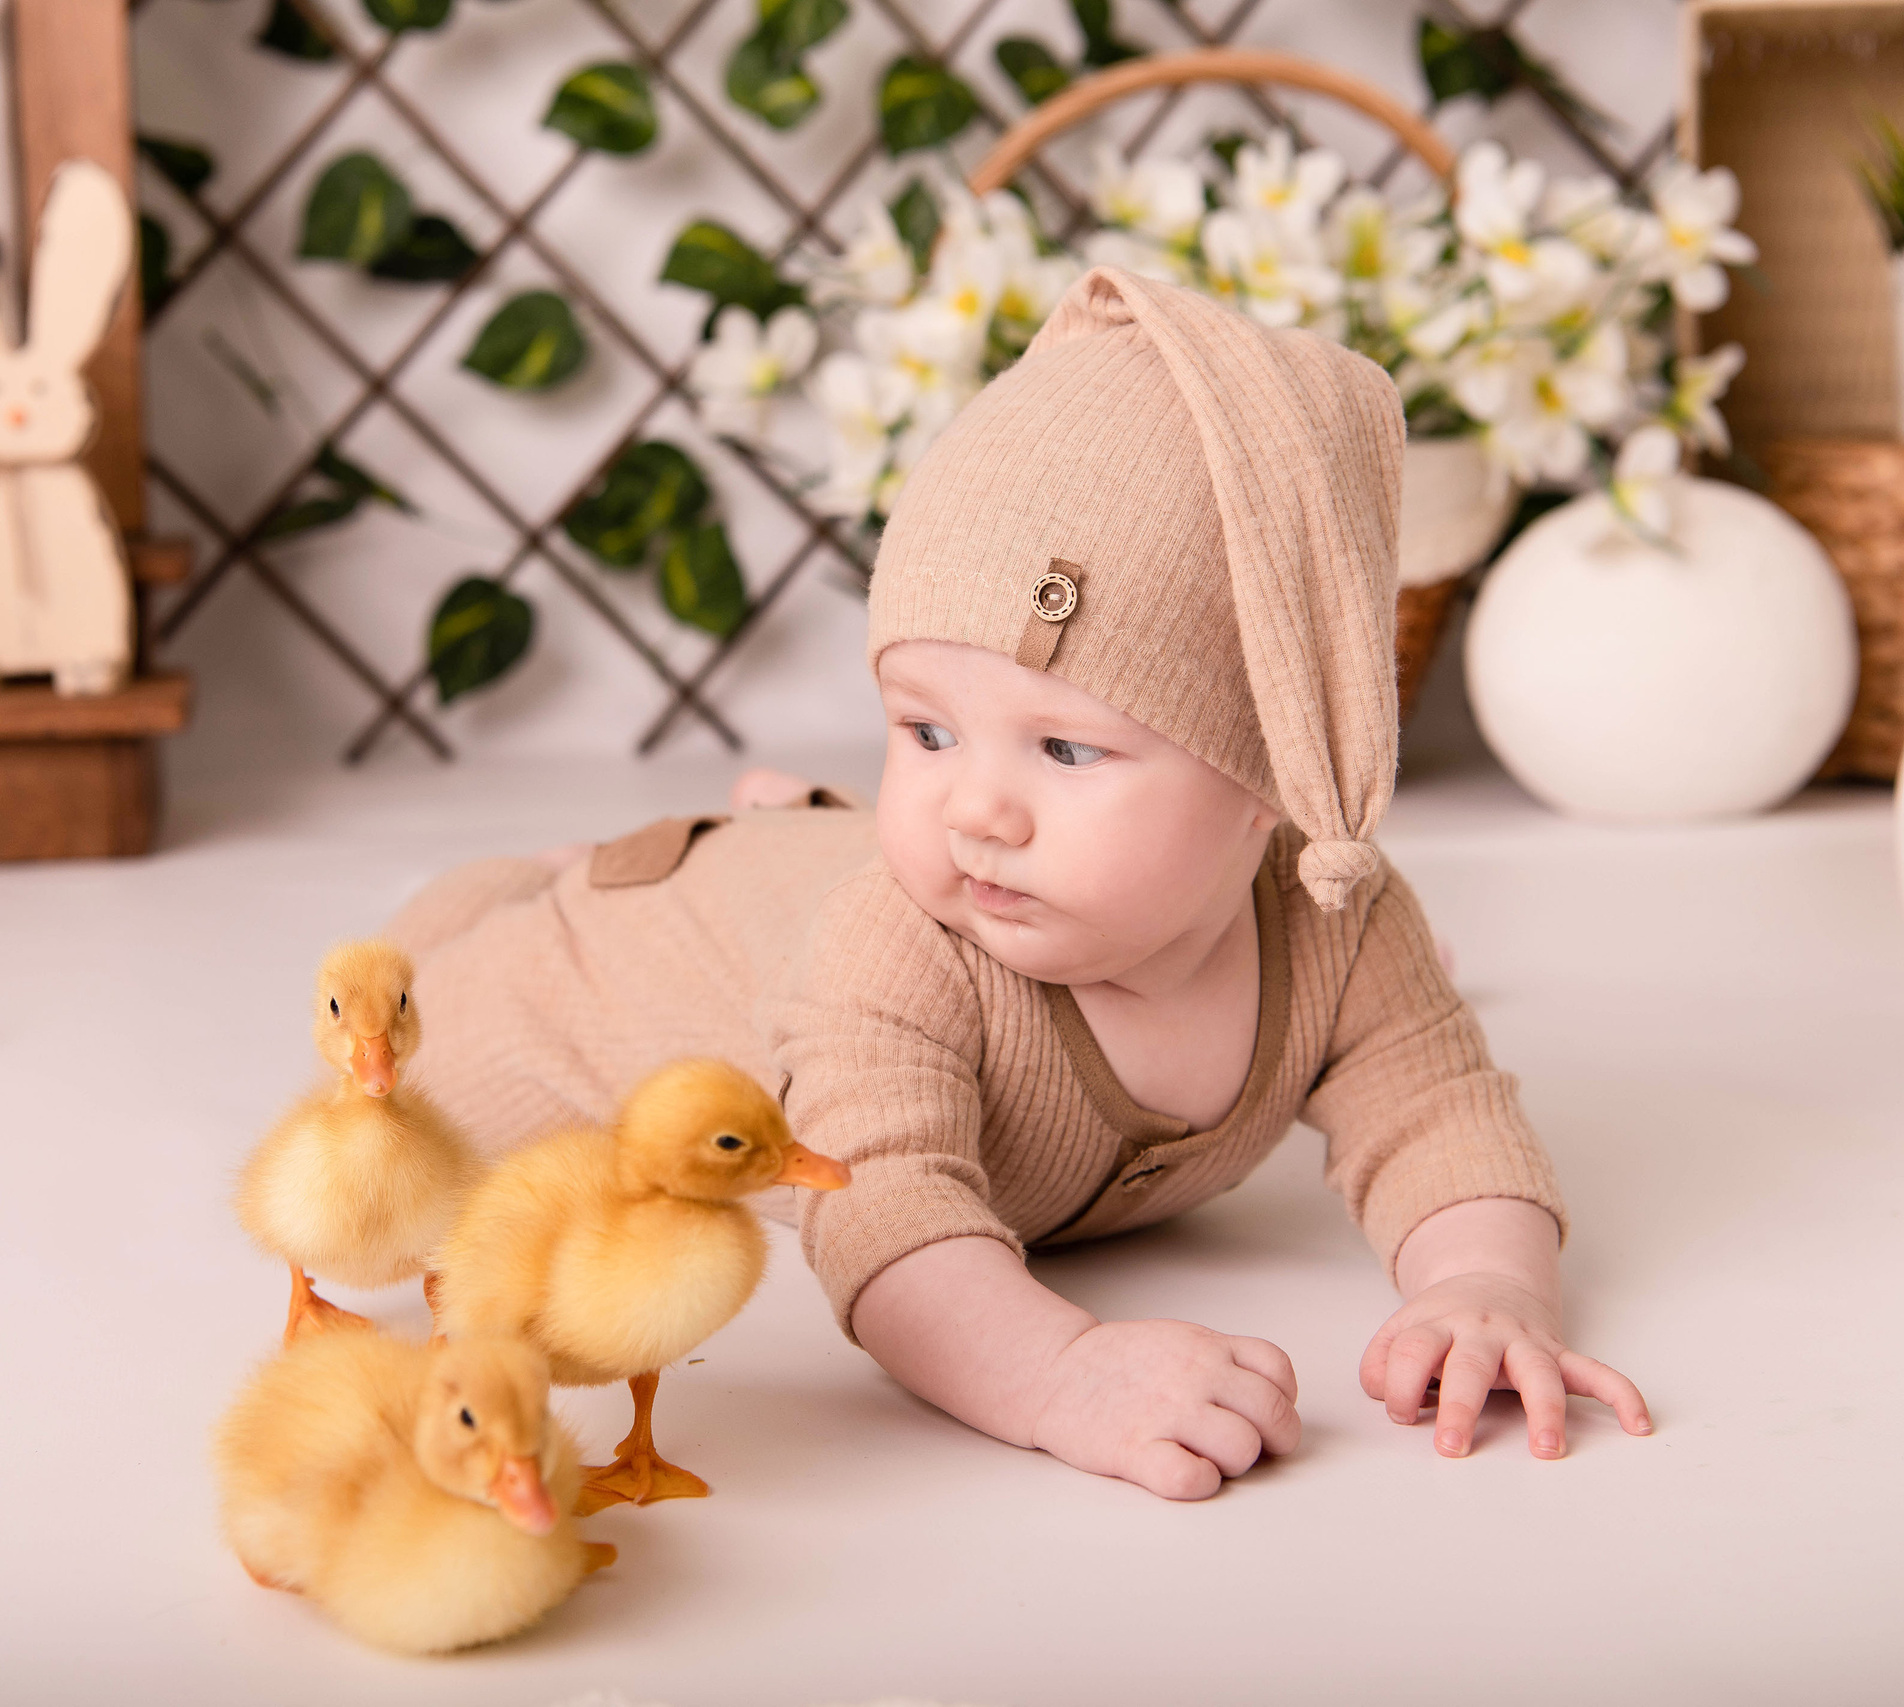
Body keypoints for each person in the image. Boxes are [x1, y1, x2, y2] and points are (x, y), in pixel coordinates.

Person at [389, 266, 1650, 1499]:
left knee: (842, 856)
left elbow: (1443, 1118)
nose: (978, 808)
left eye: (1064, 748)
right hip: (612, 974)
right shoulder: (904, 943)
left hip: (805, 888)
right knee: (422, 1077)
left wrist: (1482, 1285)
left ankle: (750, 833)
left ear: (1270, 769)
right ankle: (553, 881)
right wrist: (1059, 1374)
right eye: (923, 732)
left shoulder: (1337, 919)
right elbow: (879, 1208)